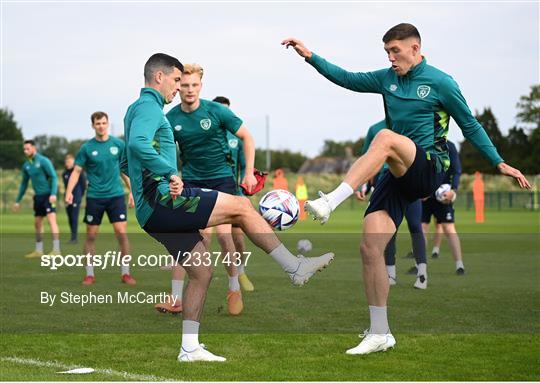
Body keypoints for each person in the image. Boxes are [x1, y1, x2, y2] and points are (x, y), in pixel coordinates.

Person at [283, 23, 530, 355]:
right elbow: (347, 78)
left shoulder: (441, 82)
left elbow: (469, 124)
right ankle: (380, 332)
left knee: (384, 138)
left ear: (416, 48)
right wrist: (309, 56)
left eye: (395, 51)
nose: (390, 57)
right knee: (370, 247)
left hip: (429, 167)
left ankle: (330, 201)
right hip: (398, 172)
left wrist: (498, 162)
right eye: (386, 52)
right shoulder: (387, 78)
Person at [122, 53, 333, 362]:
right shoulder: (149, 107)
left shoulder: (135, 110)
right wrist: (168, 175)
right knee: (243, 208)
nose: (178, 88)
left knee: (203, 272)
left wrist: (140, 194)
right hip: (164, 200)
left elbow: (125, 162)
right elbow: (138, 146)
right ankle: (295, 267)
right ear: (160, 78)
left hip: (151, 210)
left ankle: (189, 348)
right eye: (177, 81)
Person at [164, 65, 258, 315]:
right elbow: (163, 152)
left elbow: (247, 137)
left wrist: (248, 172)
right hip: (192, 182)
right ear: (177, 86)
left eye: (194, 85)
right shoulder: (171, 119)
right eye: (184, 85)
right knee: (191, 239)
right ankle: (175, 299)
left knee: (226, 238)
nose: (189, 90)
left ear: (201, 86)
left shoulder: (215, 110)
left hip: (221, 180)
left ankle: (233, 287)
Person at [65, 111, 136, 286]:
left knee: (121, 232)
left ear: (107, 123)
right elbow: (76, 171)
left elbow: (124, 171)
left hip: (116, 196)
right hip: (95, 197)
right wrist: (69, 191)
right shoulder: (86, 148)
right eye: (98, 123)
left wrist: (132, 191)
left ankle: (125, 273)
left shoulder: (118, 145)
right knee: (91, 235)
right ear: (93, 126)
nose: (101, 126)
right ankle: (90, 274)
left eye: (104, 123)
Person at [356, 120, 428, 289]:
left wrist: (426, 183)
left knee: (415, 225)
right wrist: (362, 185)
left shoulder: (411, 124)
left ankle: (422, 273)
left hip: (409, 184)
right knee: (388, 229)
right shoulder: (375, 129)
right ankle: (390, 274)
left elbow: (424, 155)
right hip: (384, 186)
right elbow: (366, 159)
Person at [422, 140, 465, 275]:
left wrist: (454, 190)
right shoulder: (422, 143)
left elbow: (456, 170)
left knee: (448, 228)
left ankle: (459, 265)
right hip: (425, 195)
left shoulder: (450, 146)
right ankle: (420, 267)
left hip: (443, 195)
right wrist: (418, 189)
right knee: (421, 228)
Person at [13, 140, 61, 258]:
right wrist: (17, 201)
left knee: (51, 221)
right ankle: (39, 250)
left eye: (28, 148)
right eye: (24, 149)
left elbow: (54, 177)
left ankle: (56, 250)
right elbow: (24, 184)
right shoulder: (26, 165)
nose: (25, 151)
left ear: (34, 148)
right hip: (38, 197)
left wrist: (53, 194)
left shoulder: (43, 161)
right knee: (37, 223)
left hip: (48, 195)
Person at [62, 154, 86, 244]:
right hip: (67, 199)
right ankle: (72, 236)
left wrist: (80, 195)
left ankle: (74, 238)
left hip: (76, 197)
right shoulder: (64, 174)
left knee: (74, 217)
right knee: (70, 217)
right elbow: (65, 186)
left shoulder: (78, 172)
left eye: (69, 162)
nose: (67, 164)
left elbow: (83, 185)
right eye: (66, 162)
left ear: (73, 162)